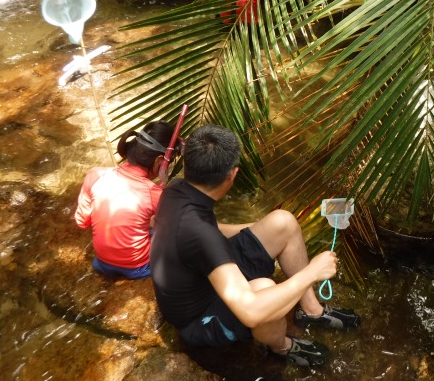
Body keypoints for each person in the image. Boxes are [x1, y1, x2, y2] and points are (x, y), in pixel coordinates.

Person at [150, 124, 360, 367]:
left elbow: (213, 229)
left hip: (202, 274)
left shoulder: (176, 189)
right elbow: (250, 311)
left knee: (282, 222)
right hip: (199, 320)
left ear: (187, 164)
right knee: (264, 292)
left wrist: (260, 228)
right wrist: (312, 272)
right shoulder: (201, 235)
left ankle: (311, 310)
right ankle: (281, 347)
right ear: (233, 174)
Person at [75, 120, 177, 279]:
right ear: (159, 161)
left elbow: (82, 222)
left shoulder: (95, 174)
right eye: (168, 163)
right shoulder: (153, 193)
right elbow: (176, 227)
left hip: (101, 262)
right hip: (139, 267)